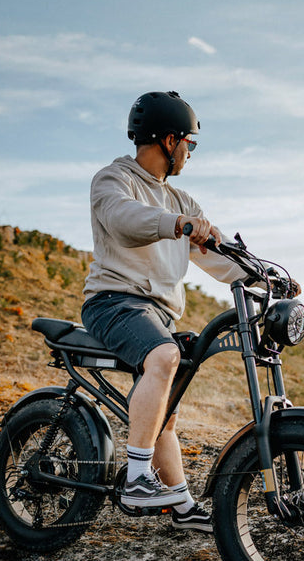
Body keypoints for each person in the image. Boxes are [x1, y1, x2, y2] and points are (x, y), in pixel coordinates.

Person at [81, 91, 252, 533]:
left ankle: (181, 508)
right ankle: (138, 478)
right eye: (190, 145)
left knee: (166, 409)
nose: (190, 153)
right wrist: (176, 225)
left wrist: (259, 277)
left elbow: (216, 256)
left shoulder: (182, 201)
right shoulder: (113, 180)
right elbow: (124, 219)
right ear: (170, 139)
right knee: (164, 358)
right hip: (113, 302)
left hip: (157, 315)